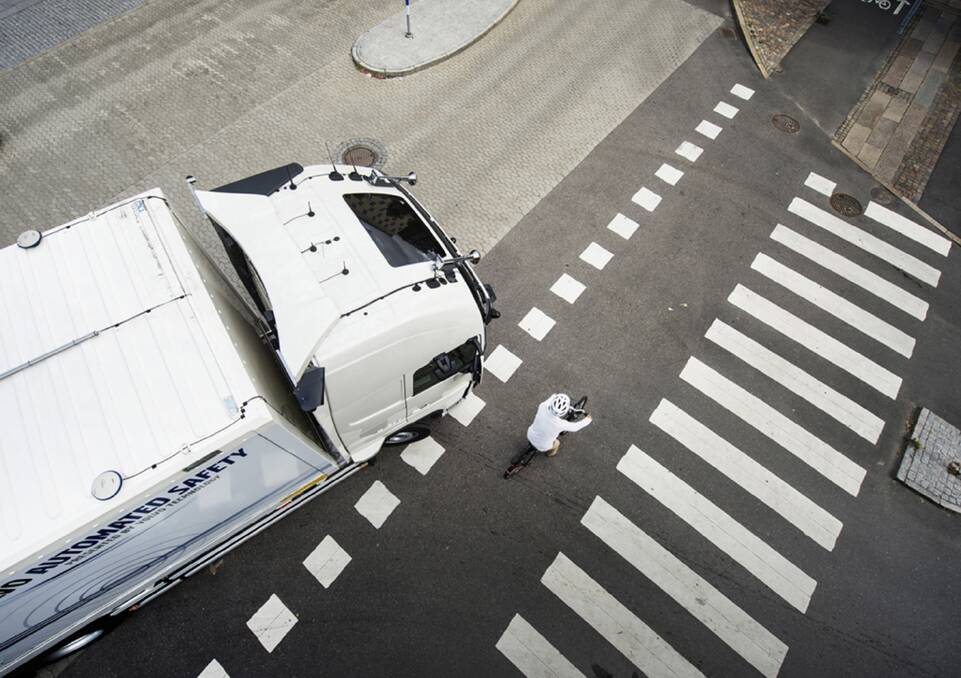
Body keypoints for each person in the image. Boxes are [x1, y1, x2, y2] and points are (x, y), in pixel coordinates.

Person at [526, 393, 592, 457]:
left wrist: (554, 396)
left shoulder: (542, 406)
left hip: (530, 435)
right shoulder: (561, 424)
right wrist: (588, 420)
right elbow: (575, 427)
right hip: (543, 446)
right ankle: (550, 454)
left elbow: (550, 399)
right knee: (557, 443)